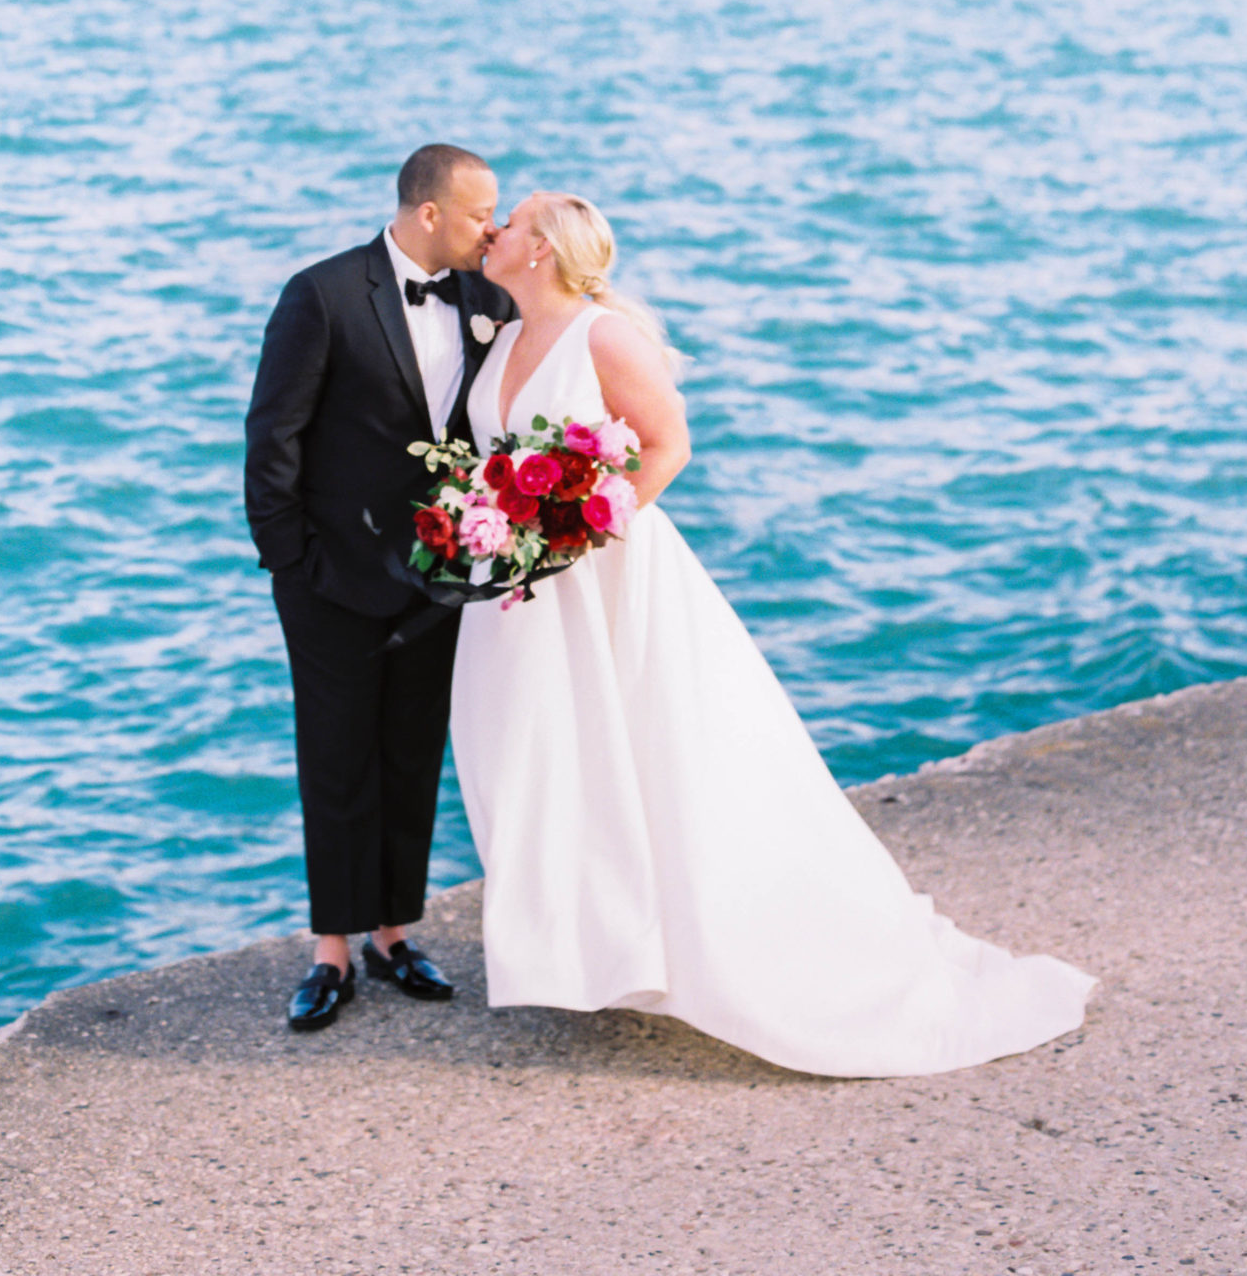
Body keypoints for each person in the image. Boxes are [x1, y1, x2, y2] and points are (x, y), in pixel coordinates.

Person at [449, 191, 1097, 1076]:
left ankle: (711, 948)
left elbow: (667, 444)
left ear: (543, 251)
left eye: (511, 221)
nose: (494, 231)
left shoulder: (602, 335)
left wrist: (583, 529)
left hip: (603, 573)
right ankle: (597, 948)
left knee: (656, 754)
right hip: (521, 588)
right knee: (550, 757)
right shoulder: (501, 334)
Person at [243, 143, 515, 1031]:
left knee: (410, 753)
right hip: (329, 580)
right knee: (335, 756)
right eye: (482, 214)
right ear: (430, 212)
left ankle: (394, 933)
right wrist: (293, 564)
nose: (495, 228)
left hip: (441, 579)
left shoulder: (489, 301)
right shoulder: (320, 294)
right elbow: (272, 437)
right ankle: (331, 948)